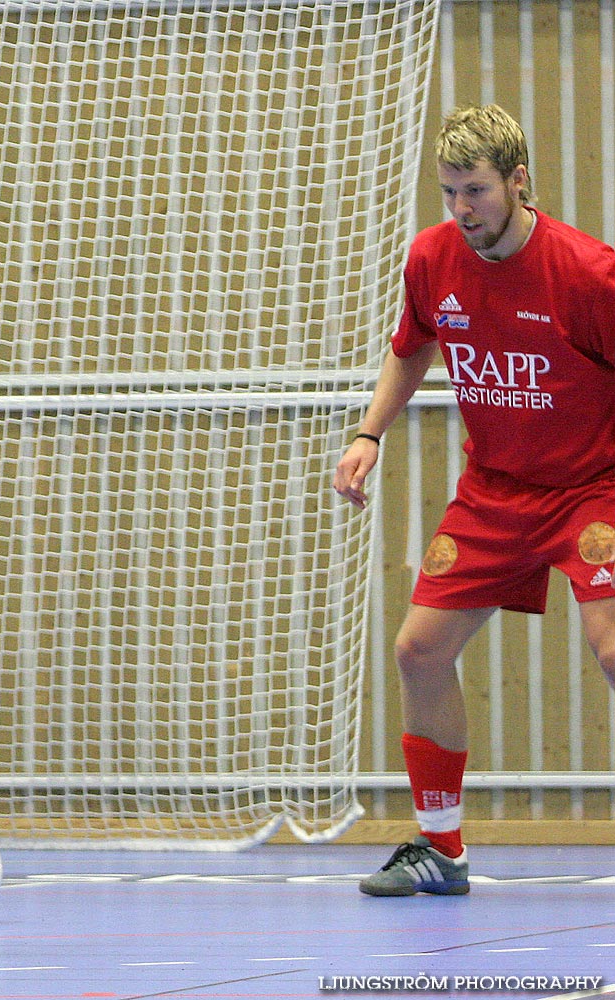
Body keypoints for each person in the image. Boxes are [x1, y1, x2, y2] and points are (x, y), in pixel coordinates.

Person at [334, 103, 615, 897]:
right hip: (494, 491)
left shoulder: (590, 275)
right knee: (418, 650)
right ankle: (442, 850)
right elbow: (412, 344)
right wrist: (369, 434)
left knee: (612, 650)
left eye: (477, 192)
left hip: (594, 486)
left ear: (520, 183)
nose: (461, 211)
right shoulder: (433, 258)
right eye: (449, 191)